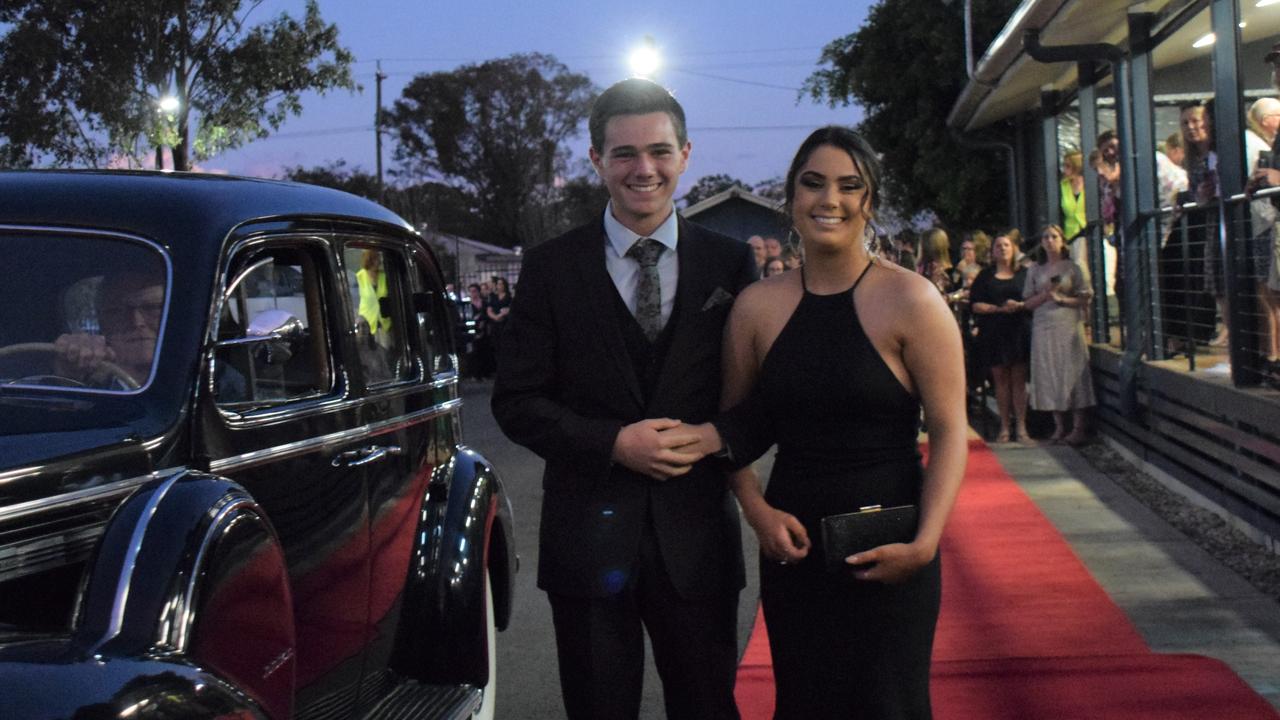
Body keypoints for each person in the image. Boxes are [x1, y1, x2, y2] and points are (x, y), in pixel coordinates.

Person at [490, 78, 756, 720]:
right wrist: (612, 443)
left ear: (686, 154)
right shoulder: (551, 267)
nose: (645, 169)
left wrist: (721, 437)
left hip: (697, 545)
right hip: (587, 543)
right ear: (596, 160)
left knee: (707, 707)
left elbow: (763, 396)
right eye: (625, 154)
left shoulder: (731, 264)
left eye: (660, 151)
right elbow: (517, 400)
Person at [683, 126, 968, 718]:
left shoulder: (914, 301)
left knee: (891, 704)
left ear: (869, 202)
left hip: (894, 542)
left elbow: (948, 433)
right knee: (807, 703)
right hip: (796, 546)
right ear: (791, 197)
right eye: (813, 184)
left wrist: (925, 543)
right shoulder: (756, 308)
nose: (828, 200)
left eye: (848, 186)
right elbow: (733, 427)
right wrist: (756, 512)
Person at [1023, 225, 1095, 445]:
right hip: (1044, 324)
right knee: (1049, 370)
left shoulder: (1073, 267)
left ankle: (1078, 426)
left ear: (1062, 241)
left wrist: (1063, 299)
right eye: (1045, 237)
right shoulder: (1035, 269)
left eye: (1054, 237)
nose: (1049, 240)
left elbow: (1086, 297)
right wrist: (1046, 296)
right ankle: (1058, 426)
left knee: (1070, 369)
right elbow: (1027, 301)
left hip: (1067, 322)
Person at [52, 270, 165, 389]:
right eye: (116, 311)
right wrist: (68, 377)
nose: (137, 322)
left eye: (152, 308)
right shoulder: (89, 387)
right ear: (101, 321)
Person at [969, 234, 1031, 443]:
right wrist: (997, 309)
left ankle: (1022, 427)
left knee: (1019, 380)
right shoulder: (985, 276)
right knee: (1001, 381)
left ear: (1013, 249)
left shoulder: (1024, 274)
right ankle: (1004, 427)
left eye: (1006, 245)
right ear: (992, 250)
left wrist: (1019, 305)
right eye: (998, 245)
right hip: (995, 332)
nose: (1002, 249)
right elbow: (975, 303)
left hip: (1018, 330)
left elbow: (1032, 298)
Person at [1246, 97, 1280, 385]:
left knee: (1271, 294)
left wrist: (1275, 176)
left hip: (1269, 224)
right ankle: (1273, 358)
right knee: (1270, 293)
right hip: (1269, 223)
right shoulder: (1267, 145)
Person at [356, 249, 392, 347]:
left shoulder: (384, 276)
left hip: (384, 324)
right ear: (370, 260)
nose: (379, 261)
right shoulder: (359, 276)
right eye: (377, 258)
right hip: (367, 324)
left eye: (379, 258)